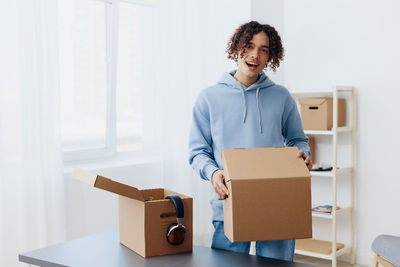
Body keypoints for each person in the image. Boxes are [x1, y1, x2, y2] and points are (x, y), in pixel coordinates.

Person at [188, 21, 312, 261]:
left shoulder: (281, 96)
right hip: (229, 202)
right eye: (249, 46)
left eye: (264, 49)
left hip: (278, 203)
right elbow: (197, 151)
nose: (255, 55)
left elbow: (298, 140)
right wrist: (213, 173)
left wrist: (303, 155)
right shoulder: (209, 98)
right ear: (237, 48)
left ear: (270, 56)